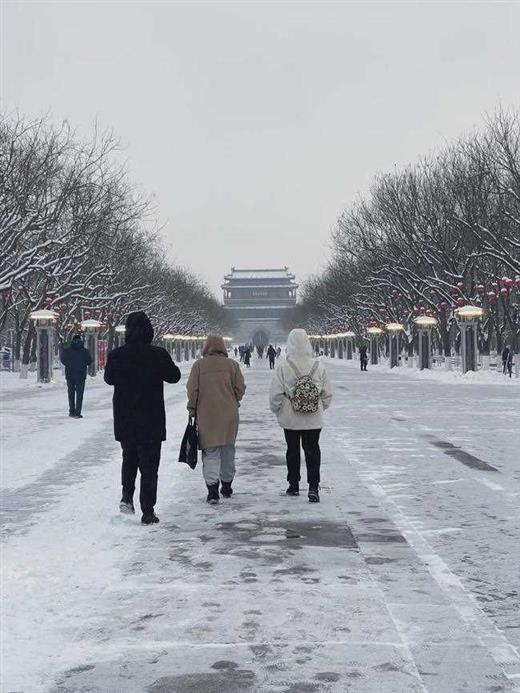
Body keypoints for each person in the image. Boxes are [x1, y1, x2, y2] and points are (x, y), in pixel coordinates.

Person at [104, 311, 181, 525]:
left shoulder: (117, 355)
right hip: (151, 418)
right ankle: (148, 511)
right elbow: (174, 376)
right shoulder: (158, 354)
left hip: (125, 418)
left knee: (128, 458)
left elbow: (108, 379)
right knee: (149, 467)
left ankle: (127, 497)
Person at [269, 329, 332, 503]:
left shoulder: (283, 366)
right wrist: (317, 406)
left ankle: (294, 485)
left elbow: (275, 395)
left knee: (293, 450)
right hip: (314, 418)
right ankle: (313, 486)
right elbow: (327, 394)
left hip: (291, 418)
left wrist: (279, 410)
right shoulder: (318, 365)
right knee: (313, 450)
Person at [187, 335, 246, 504]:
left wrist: (192, 407)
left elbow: (193, 390)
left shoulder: (198, 366)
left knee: (211, 451)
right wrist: (233, 398)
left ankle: (212, 489)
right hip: (229, 414)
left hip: (206, 414)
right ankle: (227, 485)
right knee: (228, 449)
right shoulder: (232, 365)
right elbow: (240, 388)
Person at [60, 334, 92, 418]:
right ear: (80, 340)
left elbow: (63, 360)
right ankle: (78, 412)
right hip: (81, 375)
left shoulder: (67, 351)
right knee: (79, 395)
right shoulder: (85, 351)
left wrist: (70, 365)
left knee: (71, 393)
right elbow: (89, 361)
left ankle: (71, 411)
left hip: (70, 375)